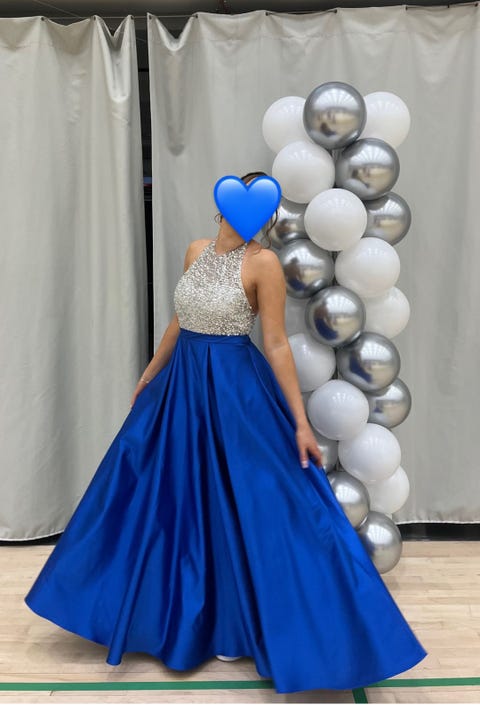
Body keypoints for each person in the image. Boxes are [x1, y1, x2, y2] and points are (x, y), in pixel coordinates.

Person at [24, 171, 427, 694]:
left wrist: (300, 422)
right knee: (168, 495)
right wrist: (150, 373)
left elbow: (276, 343)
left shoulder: (264, 264)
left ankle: (265, 625)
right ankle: (181, 617)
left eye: (264, 211)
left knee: (255, 500)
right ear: (223, 207)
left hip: (235, 390)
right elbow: (180, 320)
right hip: (183, 385)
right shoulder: (195, 250)